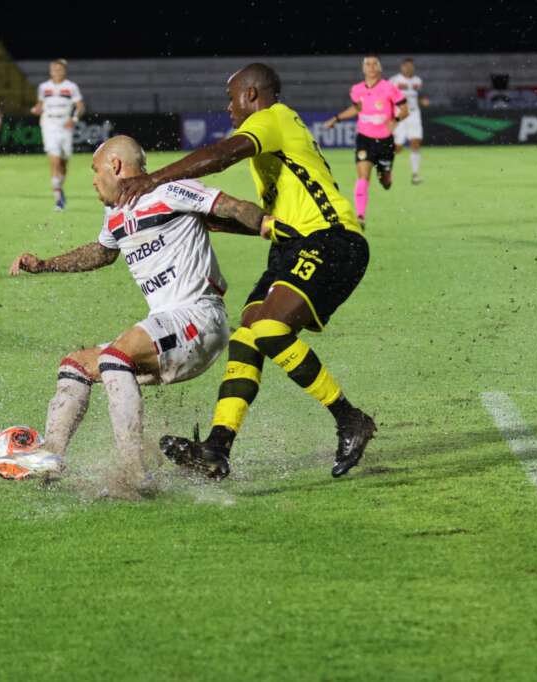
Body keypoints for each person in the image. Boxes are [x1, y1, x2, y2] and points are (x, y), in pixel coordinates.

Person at [117, 63, 375, 480]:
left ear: (252, 95)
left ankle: (350, 418)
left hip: (332, 240)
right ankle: (217, 448)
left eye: (232, 97)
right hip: (292, 247)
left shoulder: (273, 118)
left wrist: (154, 179)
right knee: (247, 336)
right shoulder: (276, 134)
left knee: (271, 327)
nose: (229, 107)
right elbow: (263, 219)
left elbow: (222, 155)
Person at [9, 136, 267, 491]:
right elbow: (102, 252)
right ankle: (52, 455)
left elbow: (233, 208)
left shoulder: (169, 191)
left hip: (199, 318)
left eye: (95, 170)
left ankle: (134, 471)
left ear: (115, 165)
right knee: (77, 364)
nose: (93, 180)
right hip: (170, 330)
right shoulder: (115, 211)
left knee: (116, 357)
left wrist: (273, 226)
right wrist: (44, 265)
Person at [323, 55, 409, 228]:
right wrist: (336, 118)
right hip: (364, 139)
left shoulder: (389, 88)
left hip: (385, 141)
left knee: (385, 182)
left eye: (374, 64)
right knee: (363, 176)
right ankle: (360, 216)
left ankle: (385, 175)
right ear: (363, 69)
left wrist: (395, 121)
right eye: (367, 64)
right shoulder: (356, 89)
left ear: (380, 68)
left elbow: (405, 109)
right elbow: (357, 109)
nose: (370, 67)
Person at [30, 59, 84, 211]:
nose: (56, 72)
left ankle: (59, 186)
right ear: (50, 71)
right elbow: (40, 104)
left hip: (65, 125)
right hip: (49, 124)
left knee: (64, 162)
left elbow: (80, 106)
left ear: (64, 71)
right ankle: (58, 198)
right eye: (54, 69)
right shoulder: (44, 87)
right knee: (54, 159)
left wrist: (74, 119)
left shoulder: (71, 87)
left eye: (59, 69)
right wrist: (36, 109)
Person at [389, 58, 429, 184]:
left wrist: (422, 101)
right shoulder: (395, 80)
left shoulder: (418, 81)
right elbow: (387, 96)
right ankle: (386, 169)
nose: (408, 68)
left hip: (414, 114)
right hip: (400, 114)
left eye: (410, 66)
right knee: (398, 147)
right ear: (402, 67)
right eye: (406, 66)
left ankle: (415, 174)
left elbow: (418, 96)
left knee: (415, 142)